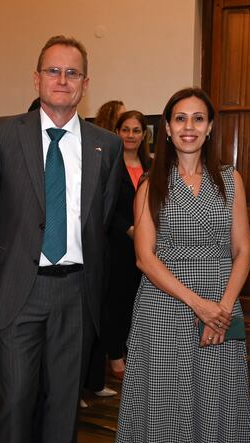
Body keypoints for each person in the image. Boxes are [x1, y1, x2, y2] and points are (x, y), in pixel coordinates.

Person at [0, 35, 125, 443]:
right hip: (22, 291)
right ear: (36, 78)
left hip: (76, 293)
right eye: (53, 71)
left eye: (73, 73)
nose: (63, 80)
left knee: (64, 399)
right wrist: (21, 261)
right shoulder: (3, 132)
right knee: (16, 399)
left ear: (85, 83)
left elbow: (100, 220)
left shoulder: (106, 144)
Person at [115, 88, 250, 443]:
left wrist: (224, 309)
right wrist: (198, 306)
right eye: (180, 119)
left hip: (220, 304)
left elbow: (242, 249)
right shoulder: (151, 181)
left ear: (210, 127)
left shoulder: (230, 179)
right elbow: (144, 256)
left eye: (198, 118)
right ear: (168, 129)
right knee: (171, 405)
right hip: (166, 307)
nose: (189, 127)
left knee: (205, 400)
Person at [105, 110, 151, 381]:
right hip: (118, 243)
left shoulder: (151, 165)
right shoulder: (110, 164)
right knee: (117, 301)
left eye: (136, 130)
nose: (131, 135)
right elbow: (106, 204)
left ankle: (134, 349)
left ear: (144, 135)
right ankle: (114, 354)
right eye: (126, 129)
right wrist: (131, 230)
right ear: (118, 132)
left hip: (147, 245)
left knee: (139, 300)